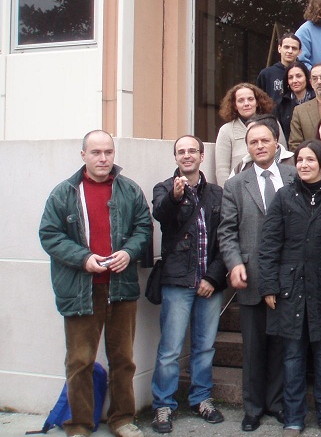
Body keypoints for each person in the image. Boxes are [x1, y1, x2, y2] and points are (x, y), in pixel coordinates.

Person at [39, 130, 153, 437]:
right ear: (83, 155)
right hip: (81, 290)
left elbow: (144, 227)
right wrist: (83, 258)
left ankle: (122, 419)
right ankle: (79, 425)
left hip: (121, 288)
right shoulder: (64, 193)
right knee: (80, 361)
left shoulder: (129, 190)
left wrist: (129, 252)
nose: (103, 158)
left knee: (123, 359)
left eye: (108, 152)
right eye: (96, 152)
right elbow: (49, 235)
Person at [259, 140, 321, 437]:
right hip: (290, 288)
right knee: (293, 357)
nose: (304, 165)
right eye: (299, 160)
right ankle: (294, 417)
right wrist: (268, 285)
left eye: (310, 160)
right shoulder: (284, 196)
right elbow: (269, 243)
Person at [217, 118, 297, 431]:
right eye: (253, 142)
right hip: (250, 274)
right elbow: (227, 231)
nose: (260, 146)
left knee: (280, 345)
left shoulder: (294, 176)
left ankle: (276, 403)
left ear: (277, 143)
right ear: (247, 148)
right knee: (252, 347)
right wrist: (234, 262)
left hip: (288, 275)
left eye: (265, 141)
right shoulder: (236, 184)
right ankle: (252, 408)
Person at [151, 136, 226, 433]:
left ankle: (201, 399)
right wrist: (175, 196)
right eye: (181, 151)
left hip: (209, 282)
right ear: (175, 157)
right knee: (170, 349)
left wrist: (213, 277)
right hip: (177, 280)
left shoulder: (217, 193)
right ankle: (163, 405)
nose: (187, 155)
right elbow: (161, 215)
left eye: (192, 151)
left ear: (201, 155)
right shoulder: (164, 189)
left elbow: (226, 238)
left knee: (204, 347)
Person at [215, 82, 282, 186]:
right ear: (235, 105)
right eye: (241, 100)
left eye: (250, 99)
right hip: (240, 190)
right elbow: (222, 170)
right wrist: (227, 192)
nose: (246, 103)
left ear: (257, 102)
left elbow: (283, 156)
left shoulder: (273, 124)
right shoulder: (226, 130)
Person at [257, 33, 303, 105]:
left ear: (299, 52)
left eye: (294, 48)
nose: (290, 51)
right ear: (279, 48)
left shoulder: (304, 74)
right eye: (286, 47)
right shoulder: (267, 74)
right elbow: (259, 100)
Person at [276, 62, 314, 143]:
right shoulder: (282, 104)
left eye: (299, 76)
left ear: (306, 78)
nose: (294, 81)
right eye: (290, 77)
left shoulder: (317, 99)